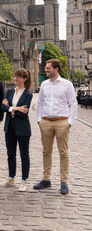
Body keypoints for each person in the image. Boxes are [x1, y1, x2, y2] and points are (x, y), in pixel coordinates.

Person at [34, 59, 78, 195]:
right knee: (46, 152)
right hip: (46, 122)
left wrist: (70, 122)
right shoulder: (44, 84)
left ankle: (63, 181)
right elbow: (40, 103)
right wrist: (39, 120)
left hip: (61, 122)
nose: (46, 70)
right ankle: (46, 179)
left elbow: (73, 103)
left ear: (56, 69)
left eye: (48, 68)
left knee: (63, 152)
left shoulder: (67, 84)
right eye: (46, 68)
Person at [2, 68, 33, 192]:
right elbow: (3, 107)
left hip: (22, 127)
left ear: (24, 79)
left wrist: (10, 107)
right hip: (9, 126)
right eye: (15, 76)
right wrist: (16, 108)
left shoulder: (28, 94)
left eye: (18, 77)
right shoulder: (9, 91)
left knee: (24, 155)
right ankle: (11, 177)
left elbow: (24, 112)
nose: (15, 79)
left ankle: (24, 180)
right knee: (11, 153)